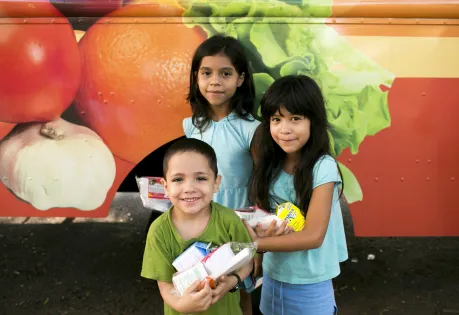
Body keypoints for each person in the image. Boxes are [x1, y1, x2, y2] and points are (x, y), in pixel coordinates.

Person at [246, 74, 348, 315]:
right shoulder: (270, 165)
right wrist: (257, 254)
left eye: (295, 119)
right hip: (273, 277)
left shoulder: (323, 167)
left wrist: (254, 245)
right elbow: (263, 217)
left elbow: (313, 236)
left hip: (311, 283)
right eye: (276, 119)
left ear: (313, 121)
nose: (285, 129)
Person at [183, 35, 261, 314]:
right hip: (201, 220)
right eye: (207, 73)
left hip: (239, 223)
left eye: (225, 73)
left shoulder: (251, 129)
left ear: (240, 79)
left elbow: (261, 181)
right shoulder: (191, 126)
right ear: (196, 77)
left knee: (240, 290)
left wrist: (257, 239)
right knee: (203, 286)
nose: (215, 81)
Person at [141, 138, 254, 315]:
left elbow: (246, 262)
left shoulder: (229, 221)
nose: (189, 188)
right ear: (165, 186)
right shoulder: (159, 231)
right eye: (178, 179)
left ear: (216, 183)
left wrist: (232, 282)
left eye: (200, 178)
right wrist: (180, 305)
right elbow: (165, 286)